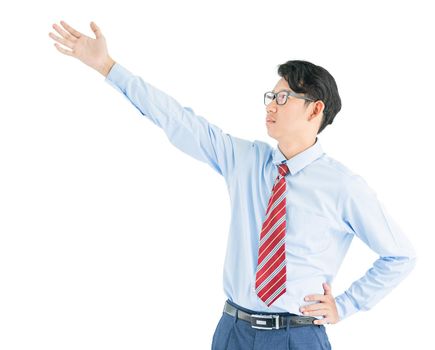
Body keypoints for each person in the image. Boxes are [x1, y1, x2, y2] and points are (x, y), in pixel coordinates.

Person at [48, 21, 417, 350]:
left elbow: (400, 255)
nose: (271, 105)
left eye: (283, 97)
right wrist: (107, 67)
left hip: (297, 336)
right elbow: (177, 119)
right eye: (270, 96)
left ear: (315, 110)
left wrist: (347, 305)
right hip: (233, 331)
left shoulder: (343, 186)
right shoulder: (245, 160)